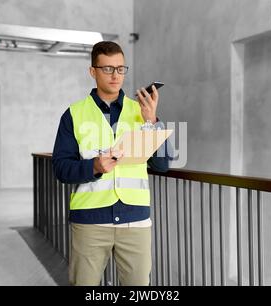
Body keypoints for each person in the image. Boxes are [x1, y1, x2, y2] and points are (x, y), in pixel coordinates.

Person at [52, 41, 172, 286]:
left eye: (120, 68)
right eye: (107, 69)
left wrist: (153, 121)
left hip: (135, 220)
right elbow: (61, 169)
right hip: (90, 221)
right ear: (92, 72)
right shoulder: (73, 114)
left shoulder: (142, 110)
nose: (115, 75)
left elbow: (162, 165)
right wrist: (94, 167)